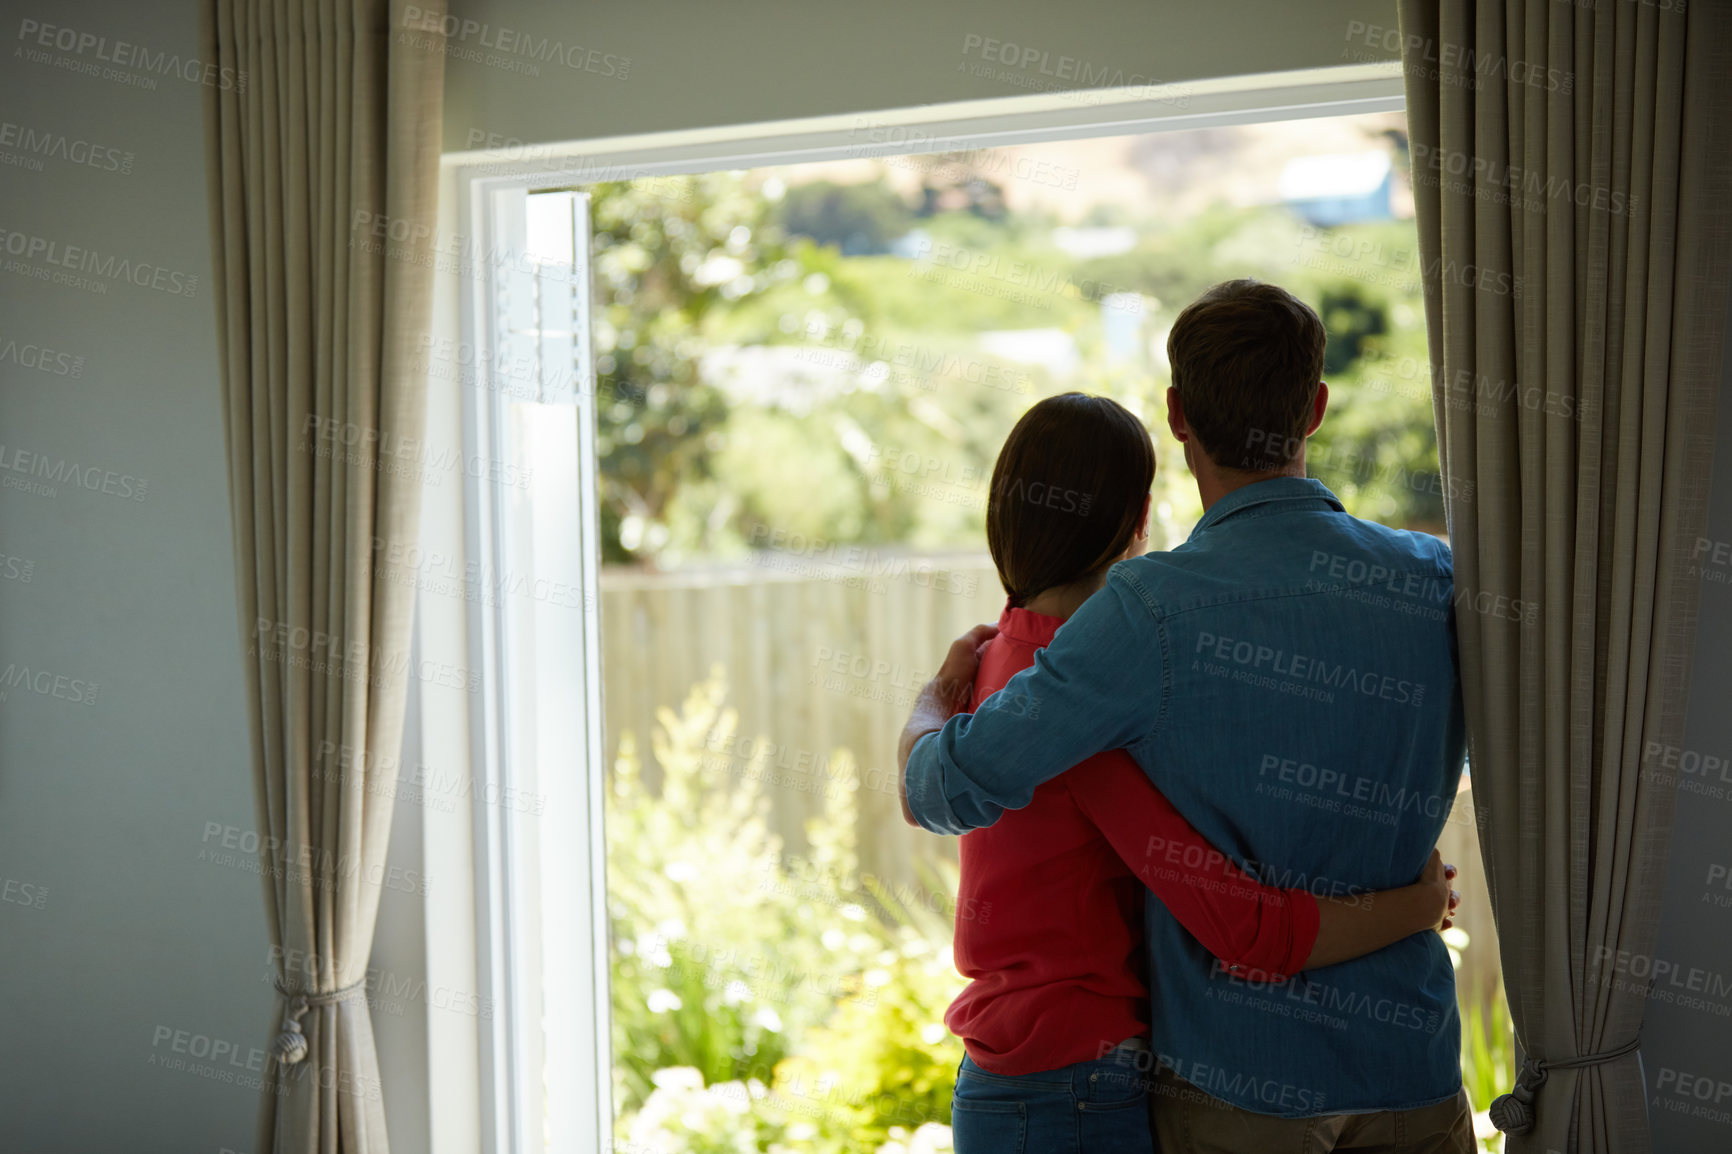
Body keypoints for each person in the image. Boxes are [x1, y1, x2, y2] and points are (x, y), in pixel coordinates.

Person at [902, 281, 1474, 1154]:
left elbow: (942, 787)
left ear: (1176, 416)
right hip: (1413, 1068)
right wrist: (1417, 898)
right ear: (1316, 408)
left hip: (1237, 1086)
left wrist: (936, 697)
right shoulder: (1431, 579)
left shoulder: (1147, 615)